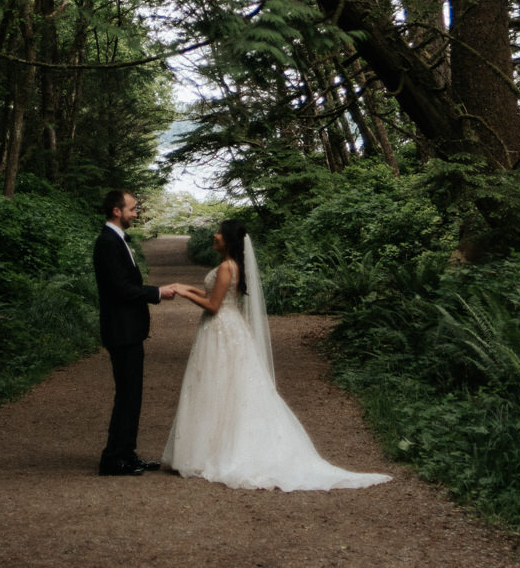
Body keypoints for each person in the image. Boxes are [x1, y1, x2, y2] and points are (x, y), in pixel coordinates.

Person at [161, 220, 390, 491]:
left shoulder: (226, 266)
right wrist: (184, 286)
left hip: (221, 328)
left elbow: (213, 305)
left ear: (229, 239)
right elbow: (215, 294)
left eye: (220, 232)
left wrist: (184, 295)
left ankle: (211, 450)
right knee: (226, 386)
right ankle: (213, 446)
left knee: (217, 385)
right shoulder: (230, 265)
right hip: (228, 328)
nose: (215, 235)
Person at [93, 189, 178, 476]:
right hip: (121, 330)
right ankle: (114, 458)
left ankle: (126, 454)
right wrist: (156, 292)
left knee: (132, 394)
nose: (136, 212)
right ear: (116, 211)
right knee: (127, 394)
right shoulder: (106, 243)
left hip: (128, 330)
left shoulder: (116, 241)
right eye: (132, 208)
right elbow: (119, 289)